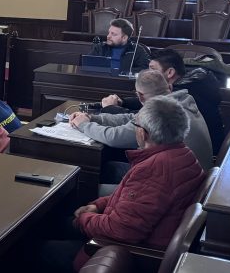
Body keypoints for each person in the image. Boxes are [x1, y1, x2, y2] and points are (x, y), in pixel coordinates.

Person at [37, 96, 205, 272]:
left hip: (126, 255)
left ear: (143, 133)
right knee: (56, 223)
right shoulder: (184, 155)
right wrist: (98, 205)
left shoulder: (155, 169)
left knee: (39, 248)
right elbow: (135, 199)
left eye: (135, 125)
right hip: (132, 239)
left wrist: (83, 220)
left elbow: (120, 230)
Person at [70, 70, 213, 171]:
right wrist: (94, 118)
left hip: (173, 184)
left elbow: (114, 137)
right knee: (110, 167)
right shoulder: (180, 101)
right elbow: (132, 118)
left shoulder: (161, 114)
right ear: (169, 87)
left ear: (140, 96)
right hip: (192, 176)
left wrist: (84, 125)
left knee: (90, 180)